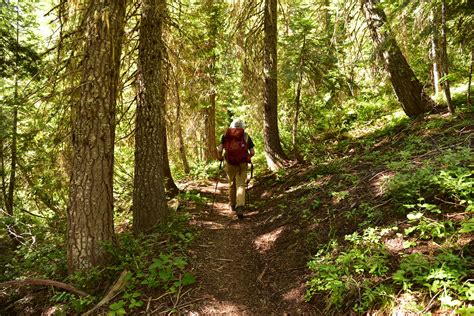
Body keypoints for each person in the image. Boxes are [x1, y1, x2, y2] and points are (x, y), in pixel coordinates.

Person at [217, 118, 255, 219]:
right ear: (243, 127)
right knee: (241, 185)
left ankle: (232, 205)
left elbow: (220, 149)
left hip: (229, 163)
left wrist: (220, 157)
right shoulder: (246, 136)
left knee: (231, 184)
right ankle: (240, 207)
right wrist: (248, 158)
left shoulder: (225, 136)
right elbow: (252, 152)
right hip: (242, 164)